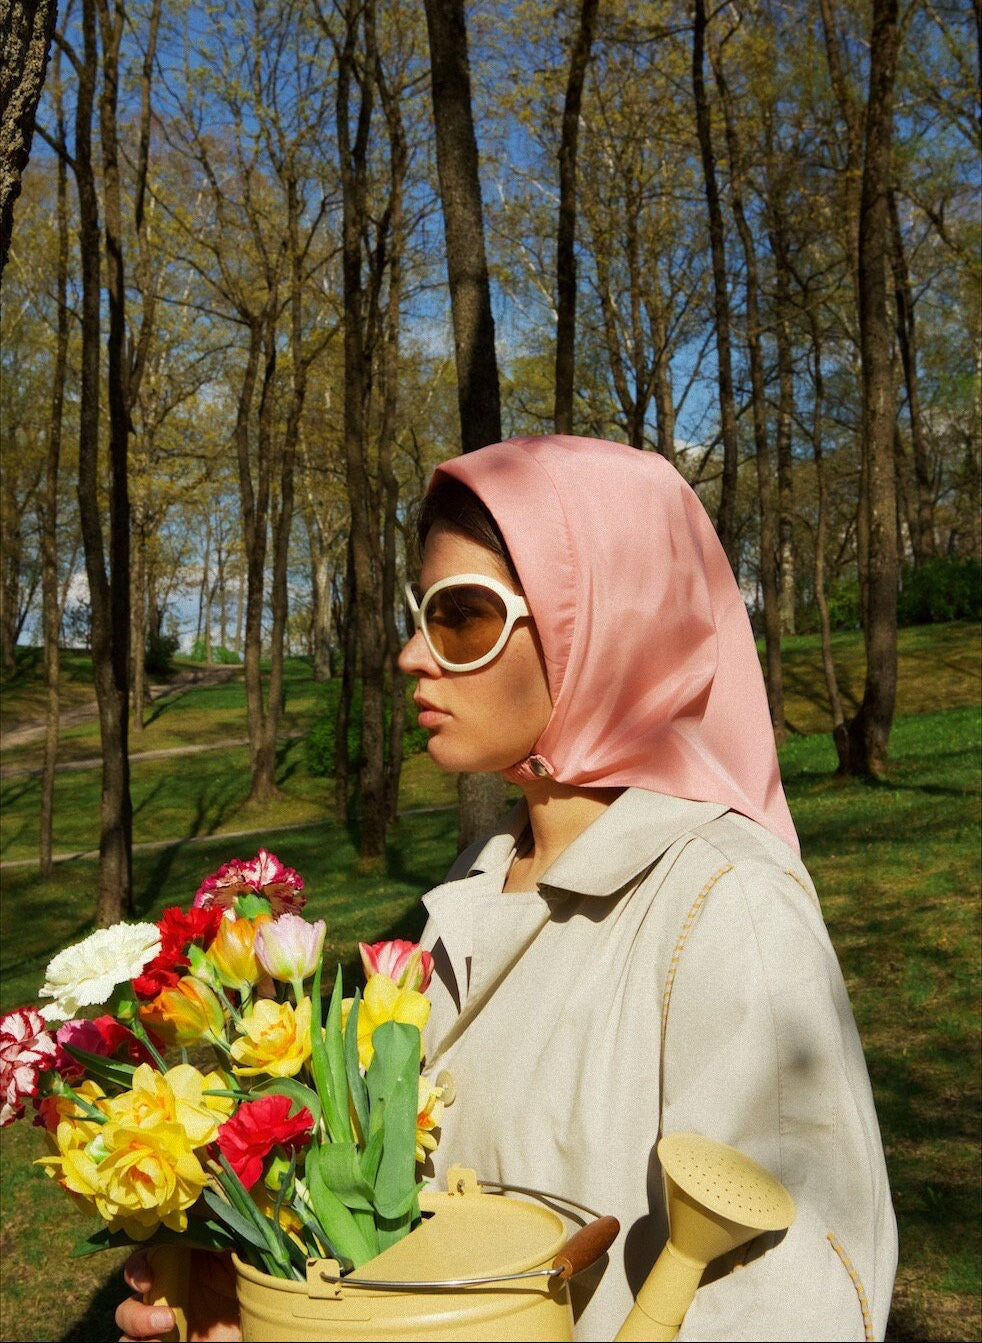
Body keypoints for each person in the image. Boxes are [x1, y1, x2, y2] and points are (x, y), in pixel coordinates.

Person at [117, 435, 897, 1342]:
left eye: (459, 618)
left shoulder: (726, 907)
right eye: (421, 614)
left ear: (603, 626)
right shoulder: (474, 885)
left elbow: (799, 1305)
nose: (412, 654)